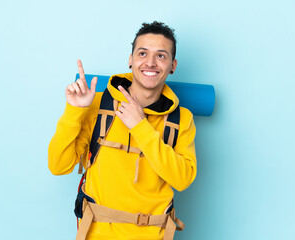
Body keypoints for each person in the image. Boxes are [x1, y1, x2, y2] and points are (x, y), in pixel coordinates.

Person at [48, 21, 197, 240]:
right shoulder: (98, 105)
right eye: (143, 53)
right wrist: (74, 112)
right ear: (131, 60)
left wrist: (140, 126)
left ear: (173, 65)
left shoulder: (182, 120)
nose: (151, 63)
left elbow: (182, 179)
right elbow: (58, 166)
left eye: (161, 56)